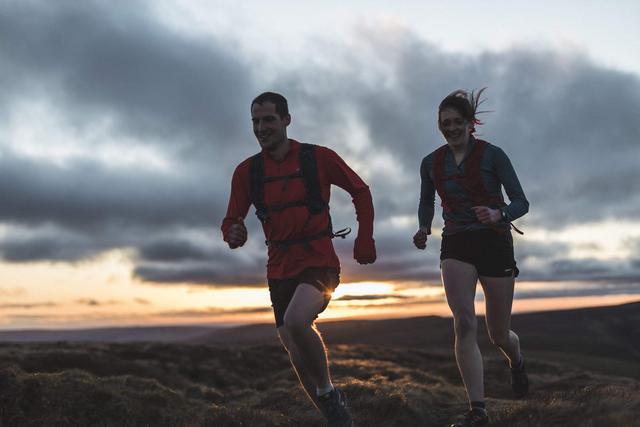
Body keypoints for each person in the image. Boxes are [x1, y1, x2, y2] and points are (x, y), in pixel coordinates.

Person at [222, 91, 376, 427]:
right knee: (294, 348)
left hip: (319, 259)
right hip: (278, 267)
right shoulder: (246, 172)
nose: (261, 127)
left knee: (296, 322)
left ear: (286, 120)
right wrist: (233, 232)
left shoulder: (318, 158)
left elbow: (360, 190)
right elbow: (232, 219)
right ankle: (336, 417)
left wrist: (365, 238)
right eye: (255, 121)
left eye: (268, 120)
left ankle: (327, 392)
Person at [413, 89, 530, 427]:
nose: (450, 128)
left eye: (456, 122)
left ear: (470, 124)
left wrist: (500, 215)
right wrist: (424, 227)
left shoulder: (494, 156)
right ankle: (477, 411)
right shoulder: (431, 163)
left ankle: (517, 362)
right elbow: (426, 202)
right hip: (456, 243)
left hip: (494, 243)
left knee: (498, 334)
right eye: (444, 123)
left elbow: (522, 201)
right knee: (464, 322)